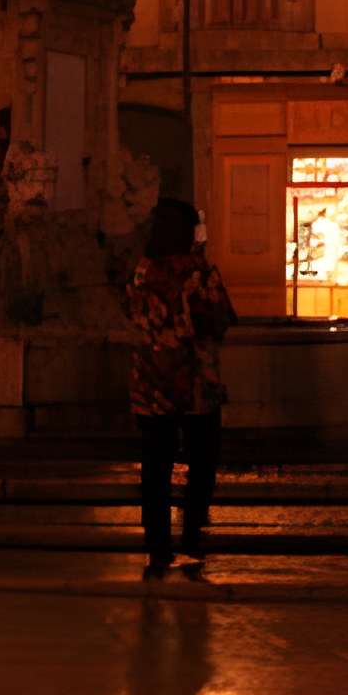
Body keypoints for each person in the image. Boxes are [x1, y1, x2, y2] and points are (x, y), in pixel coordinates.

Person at [126, 198, 236, 577]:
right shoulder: (199, 272)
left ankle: (157, 546)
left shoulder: (141, 272)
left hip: (151, 382)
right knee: (201, 462)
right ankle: (191, 537)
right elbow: (220, 318)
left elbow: (134, 317)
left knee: (155, 466)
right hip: (194, 383)